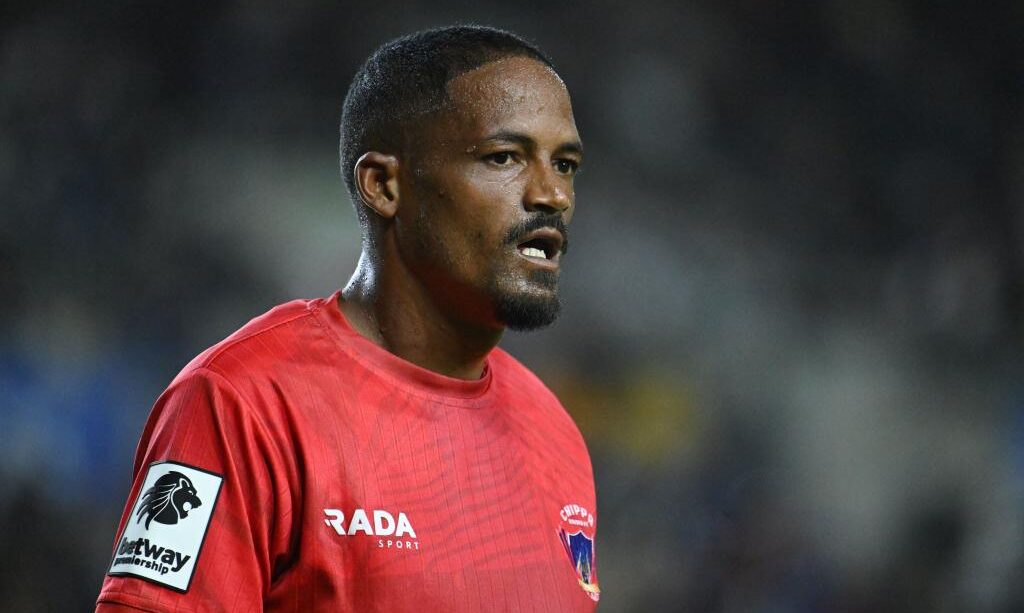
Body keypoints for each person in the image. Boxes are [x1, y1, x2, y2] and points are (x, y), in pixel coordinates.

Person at [96, 25, 599, 612]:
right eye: (504, 157)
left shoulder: (554, 430)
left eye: (565, 164)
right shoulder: (241, 403)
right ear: (384, 185)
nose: (552, 195)